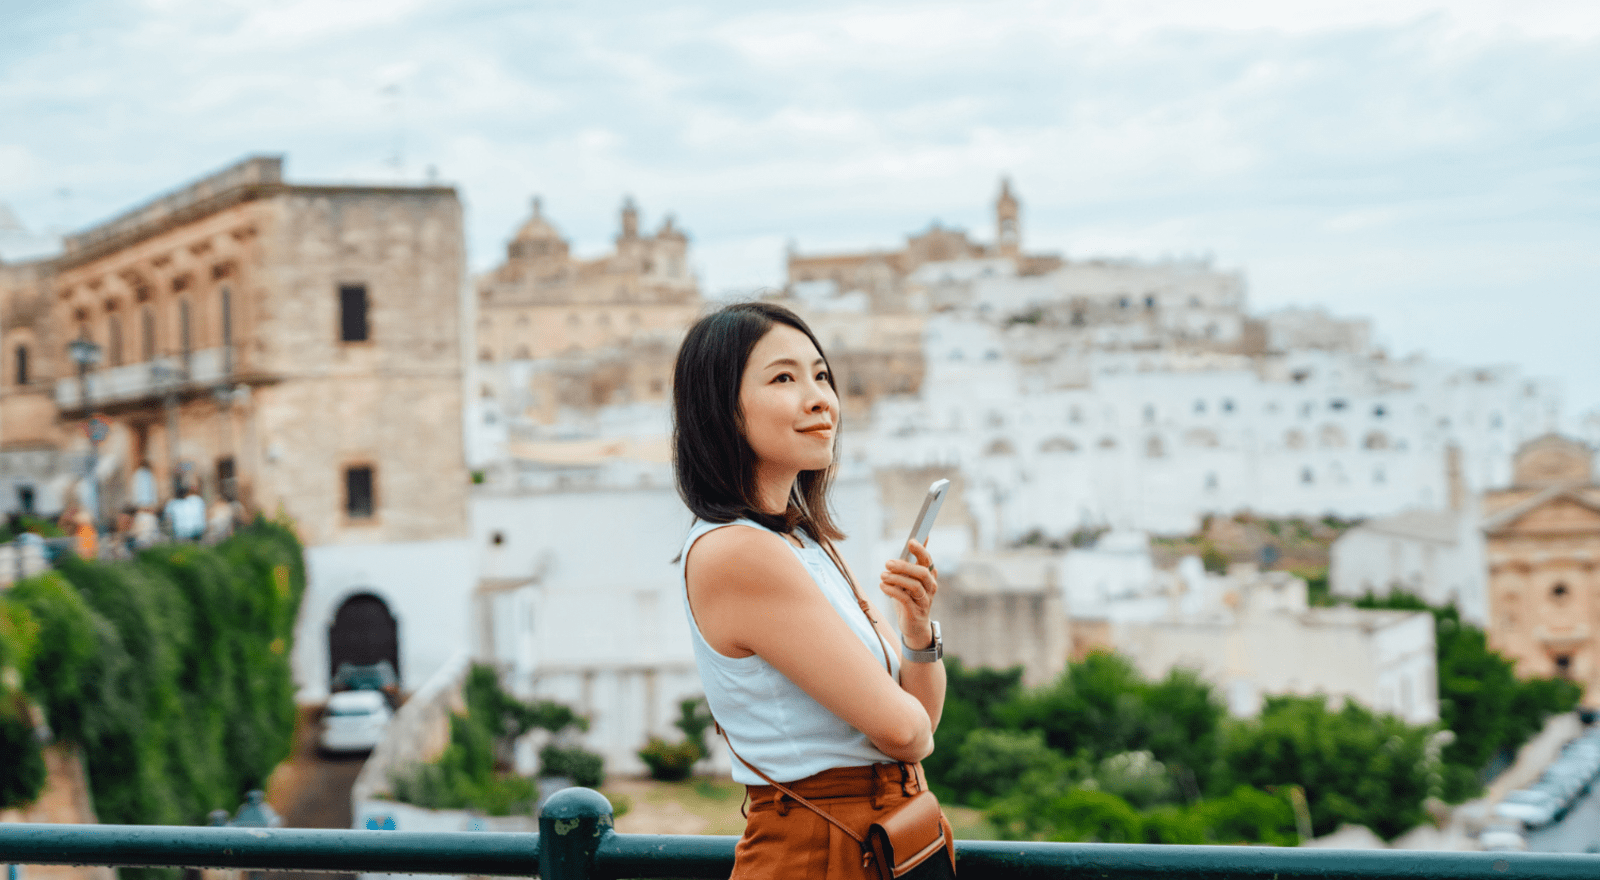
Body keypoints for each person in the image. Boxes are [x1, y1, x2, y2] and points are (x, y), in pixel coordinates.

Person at [672, 302, 948, 879]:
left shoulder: (802, 540)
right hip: (819, 852)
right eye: (783, 378)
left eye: (821, 375)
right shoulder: (738, 552)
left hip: (881, 840)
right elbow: (903, 731)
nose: (820, 397)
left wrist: (918, 633)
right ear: (721, 410)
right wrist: (904, 719)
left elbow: (920, 718)